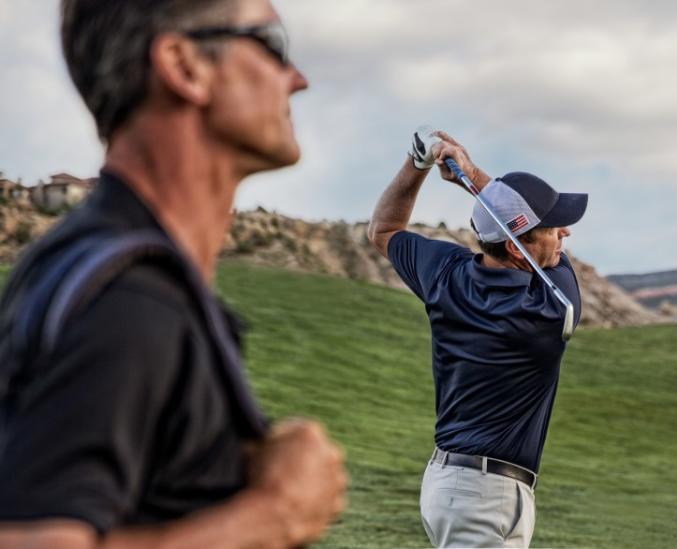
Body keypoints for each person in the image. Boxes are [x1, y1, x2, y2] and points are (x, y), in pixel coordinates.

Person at [0, 0, 347, 547]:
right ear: (185, 67)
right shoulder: (129, 299)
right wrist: (274, 514)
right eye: (273, 45)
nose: (297, 79)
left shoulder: (97, 268)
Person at [368, 128, 588, 548]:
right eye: (553, 227)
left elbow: (383, 229)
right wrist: (474, 176)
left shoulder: (445, 273)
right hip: (479, 495)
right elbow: (542, 252)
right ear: (517, 246)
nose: (565, 233)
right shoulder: (550, 308)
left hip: (470, 488)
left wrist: (418, 163)